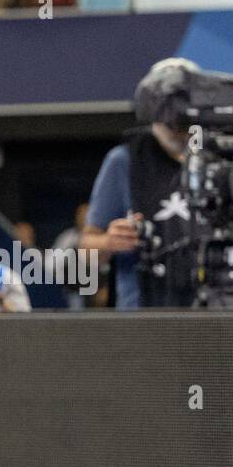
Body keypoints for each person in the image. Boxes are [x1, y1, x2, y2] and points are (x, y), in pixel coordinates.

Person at [80, 58, 199, 309]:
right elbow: (86, 251)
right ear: (152, 110)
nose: (179, 127)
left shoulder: (219, 160)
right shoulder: (123, 161)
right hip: (145, 312)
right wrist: (109, 242)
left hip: (215, 308)